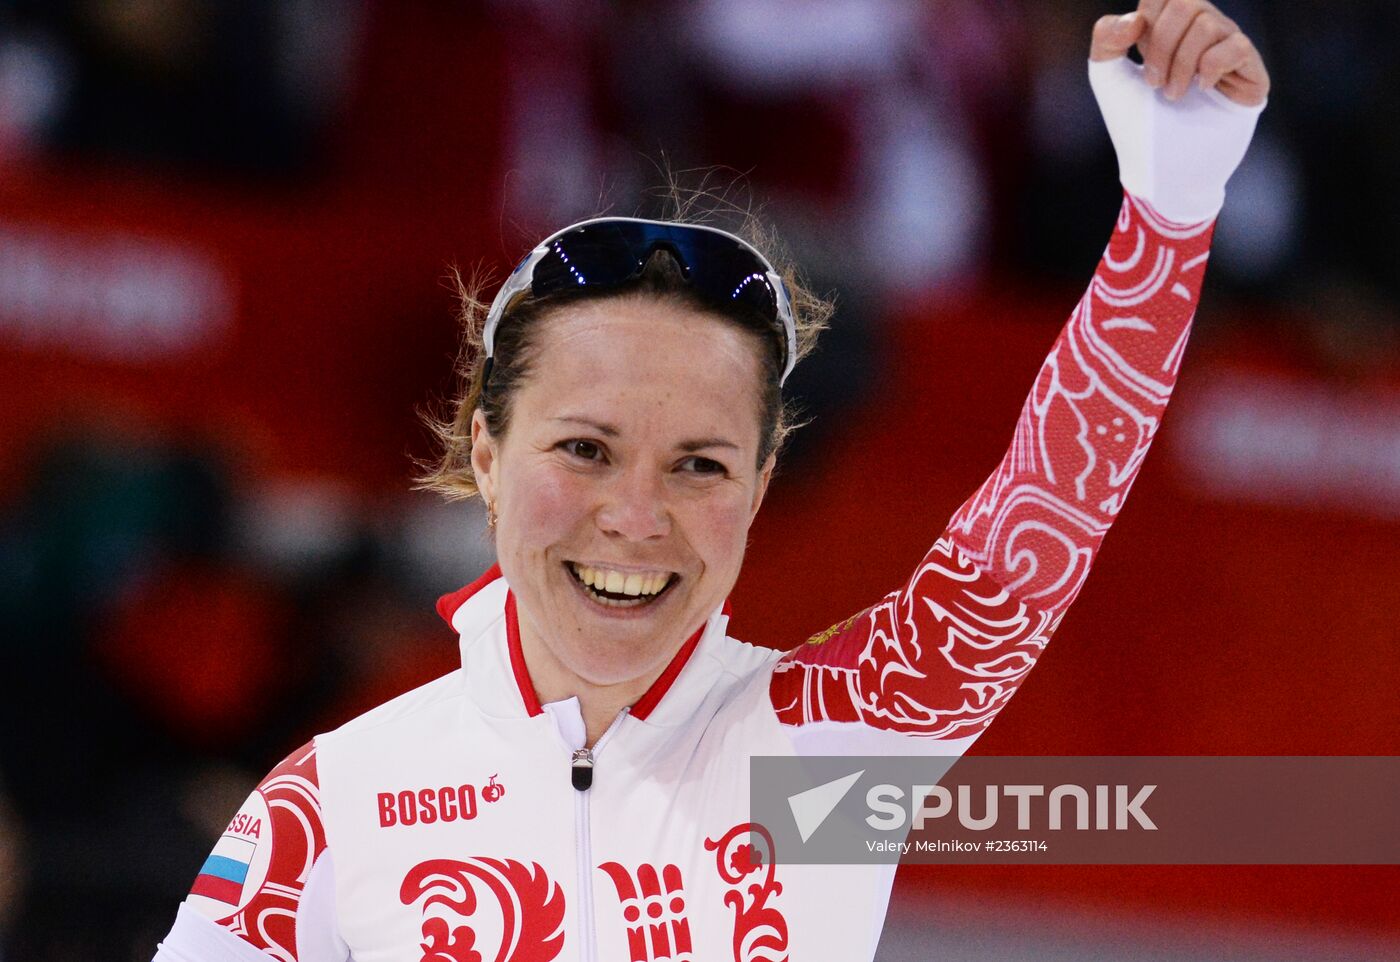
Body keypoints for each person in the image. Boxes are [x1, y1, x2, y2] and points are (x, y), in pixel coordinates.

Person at [152, 3, 1269, 960]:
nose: (636, 516)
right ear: (485, 453)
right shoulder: (324, 809)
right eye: (584, 449)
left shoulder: (818, 761)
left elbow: (1024, 544)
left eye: (699, 463)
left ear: (762, 482)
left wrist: (1166, 218)